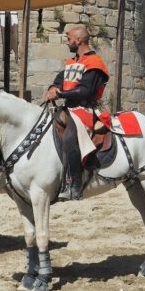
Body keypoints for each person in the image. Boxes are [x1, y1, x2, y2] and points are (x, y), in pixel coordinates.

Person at [45, 25, 109, 200]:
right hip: (68, 108)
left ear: (79, 40)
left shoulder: (94, 63)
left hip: (85, 110)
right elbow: (60, 80)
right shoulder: (72, 63)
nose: (67, 42)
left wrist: (61, 93)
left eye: (69, 38)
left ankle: (75, 184)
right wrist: (53, 88)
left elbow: (86, 90)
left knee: (69, 138)